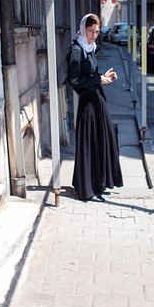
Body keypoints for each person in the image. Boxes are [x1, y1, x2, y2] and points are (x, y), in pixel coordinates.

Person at [66, 14, 123, 202]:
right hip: (88, 102)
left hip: (97, 99)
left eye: (97, 31)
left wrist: (102, 76)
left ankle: (98, 182)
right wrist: (98, 80)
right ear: (83, 29)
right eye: (91, 31)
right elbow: (74, 81)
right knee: (90, 142)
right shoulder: (76, 50)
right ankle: (87, 186)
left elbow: (89, 74)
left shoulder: (89, 48)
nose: (94, 35)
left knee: (102, 139)